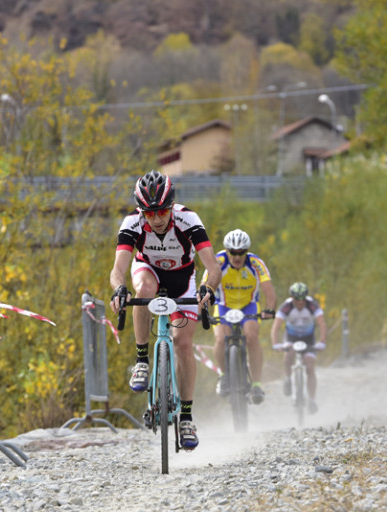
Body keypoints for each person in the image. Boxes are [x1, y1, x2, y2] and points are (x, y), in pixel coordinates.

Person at [109, 170, 221, 450]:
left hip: (183, 278)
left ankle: (185, 418)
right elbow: (118, 270)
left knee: (184, 343)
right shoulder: (132, 223)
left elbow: (213, 268)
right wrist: (118, 289)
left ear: (171, 207)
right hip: (148, 270)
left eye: (161, 212)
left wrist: (207, 289)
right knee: (143, 292)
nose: (157, 219)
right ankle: (142, 360)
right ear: (140, 212)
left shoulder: (188, 219)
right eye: (149, 214)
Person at [202, 229, 277, 404]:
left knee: (252, 336)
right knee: (220, 339)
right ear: (227, 251)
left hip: (248, 306)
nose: (237, 257)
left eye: (241, 252)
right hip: (224, 306)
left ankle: (257, 384)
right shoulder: (218, 261)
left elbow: (269, 291)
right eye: (233, 252)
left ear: (246, 251)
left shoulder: (256, 262)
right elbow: (204, 287)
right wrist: (202, 310)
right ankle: (223, 376)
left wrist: (270, 308)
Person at [270, 282, 327, 414]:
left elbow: (322, 324)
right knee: (288, 354)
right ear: (292, 298)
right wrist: (276, 343)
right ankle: (288, 378)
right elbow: (276, 326)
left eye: (303, 299)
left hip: (308, 338)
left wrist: (322, 342)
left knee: (310, 365)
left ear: (306, 298)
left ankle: (312, 400)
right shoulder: (286, 306)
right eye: (297, 299)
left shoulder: (313, 305)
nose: (300, 302)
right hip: (291, 337)